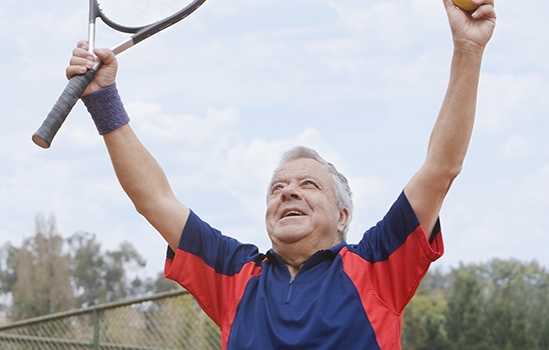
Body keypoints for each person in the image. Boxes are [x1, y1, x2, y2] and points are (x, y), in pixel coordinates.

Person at [64, 0, 495, 348]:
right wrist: (104, 100)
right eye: (277, 188)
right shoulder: (235, 276)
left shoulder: (376, 266)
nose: (288, 192)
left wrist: (468, 49)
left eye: (309, 184)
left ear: (343, 215)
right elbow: (154, 200)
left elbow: (441, 169)